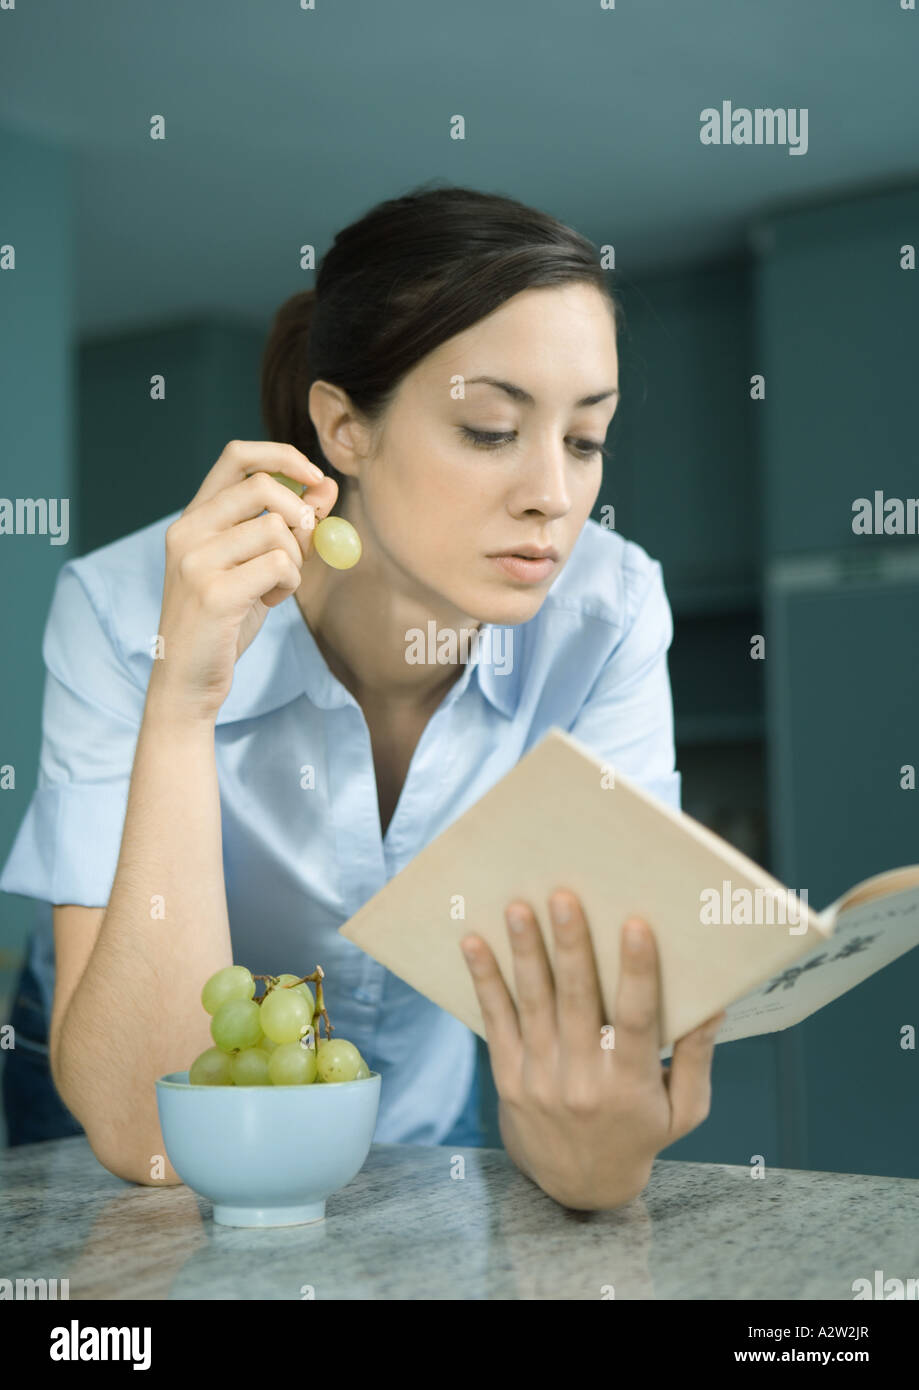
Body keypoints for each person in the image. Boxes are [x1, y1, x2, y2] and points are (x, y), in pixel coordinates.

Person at [0, 183, 723, 1209]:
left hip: (413, 1100)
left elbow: (589, 1081)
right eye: (487, 429)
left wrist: (599, 1150)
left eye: (583, 438)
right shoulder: (120, 612)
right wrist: (181, 704)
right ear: (342, 427)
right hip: (110, 1063)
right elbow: (150, 1137)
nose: (551, 498)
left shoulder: (607, 613)